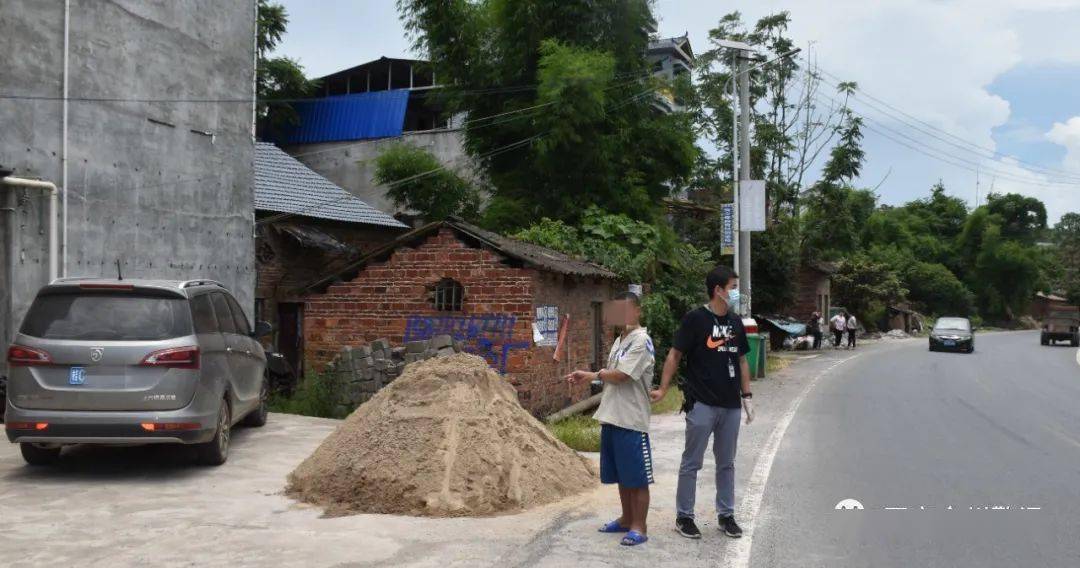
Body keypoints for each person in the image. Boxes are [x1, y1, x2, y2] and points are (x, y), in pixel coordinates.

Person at [650, 265, 754, 540]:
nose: (736, 293)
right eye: (732, 288)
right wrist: (662, 389)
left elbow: (742, 360)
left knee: (726, 462)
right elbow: (674, 355)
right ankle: (684, 516)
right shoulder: (695, 320)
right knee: (692, 462)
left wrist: (747, 396)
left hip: (730, 405)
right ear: (718, 290)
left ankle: (726, 515)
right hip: (702, 404)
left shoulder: (735, 323)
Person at [566, 291, 656, 547]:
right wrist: (589, 375)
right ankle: (627, 519)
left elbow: (621, 376)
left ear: (637, 311)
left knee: (636, 477)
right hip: (612, 416)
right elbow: (610, 374)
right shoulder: (620, 341)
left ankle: (640, 526)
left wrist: (598, 373)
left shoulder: (641, 340)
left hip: (631, 420)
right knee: (621, 475)